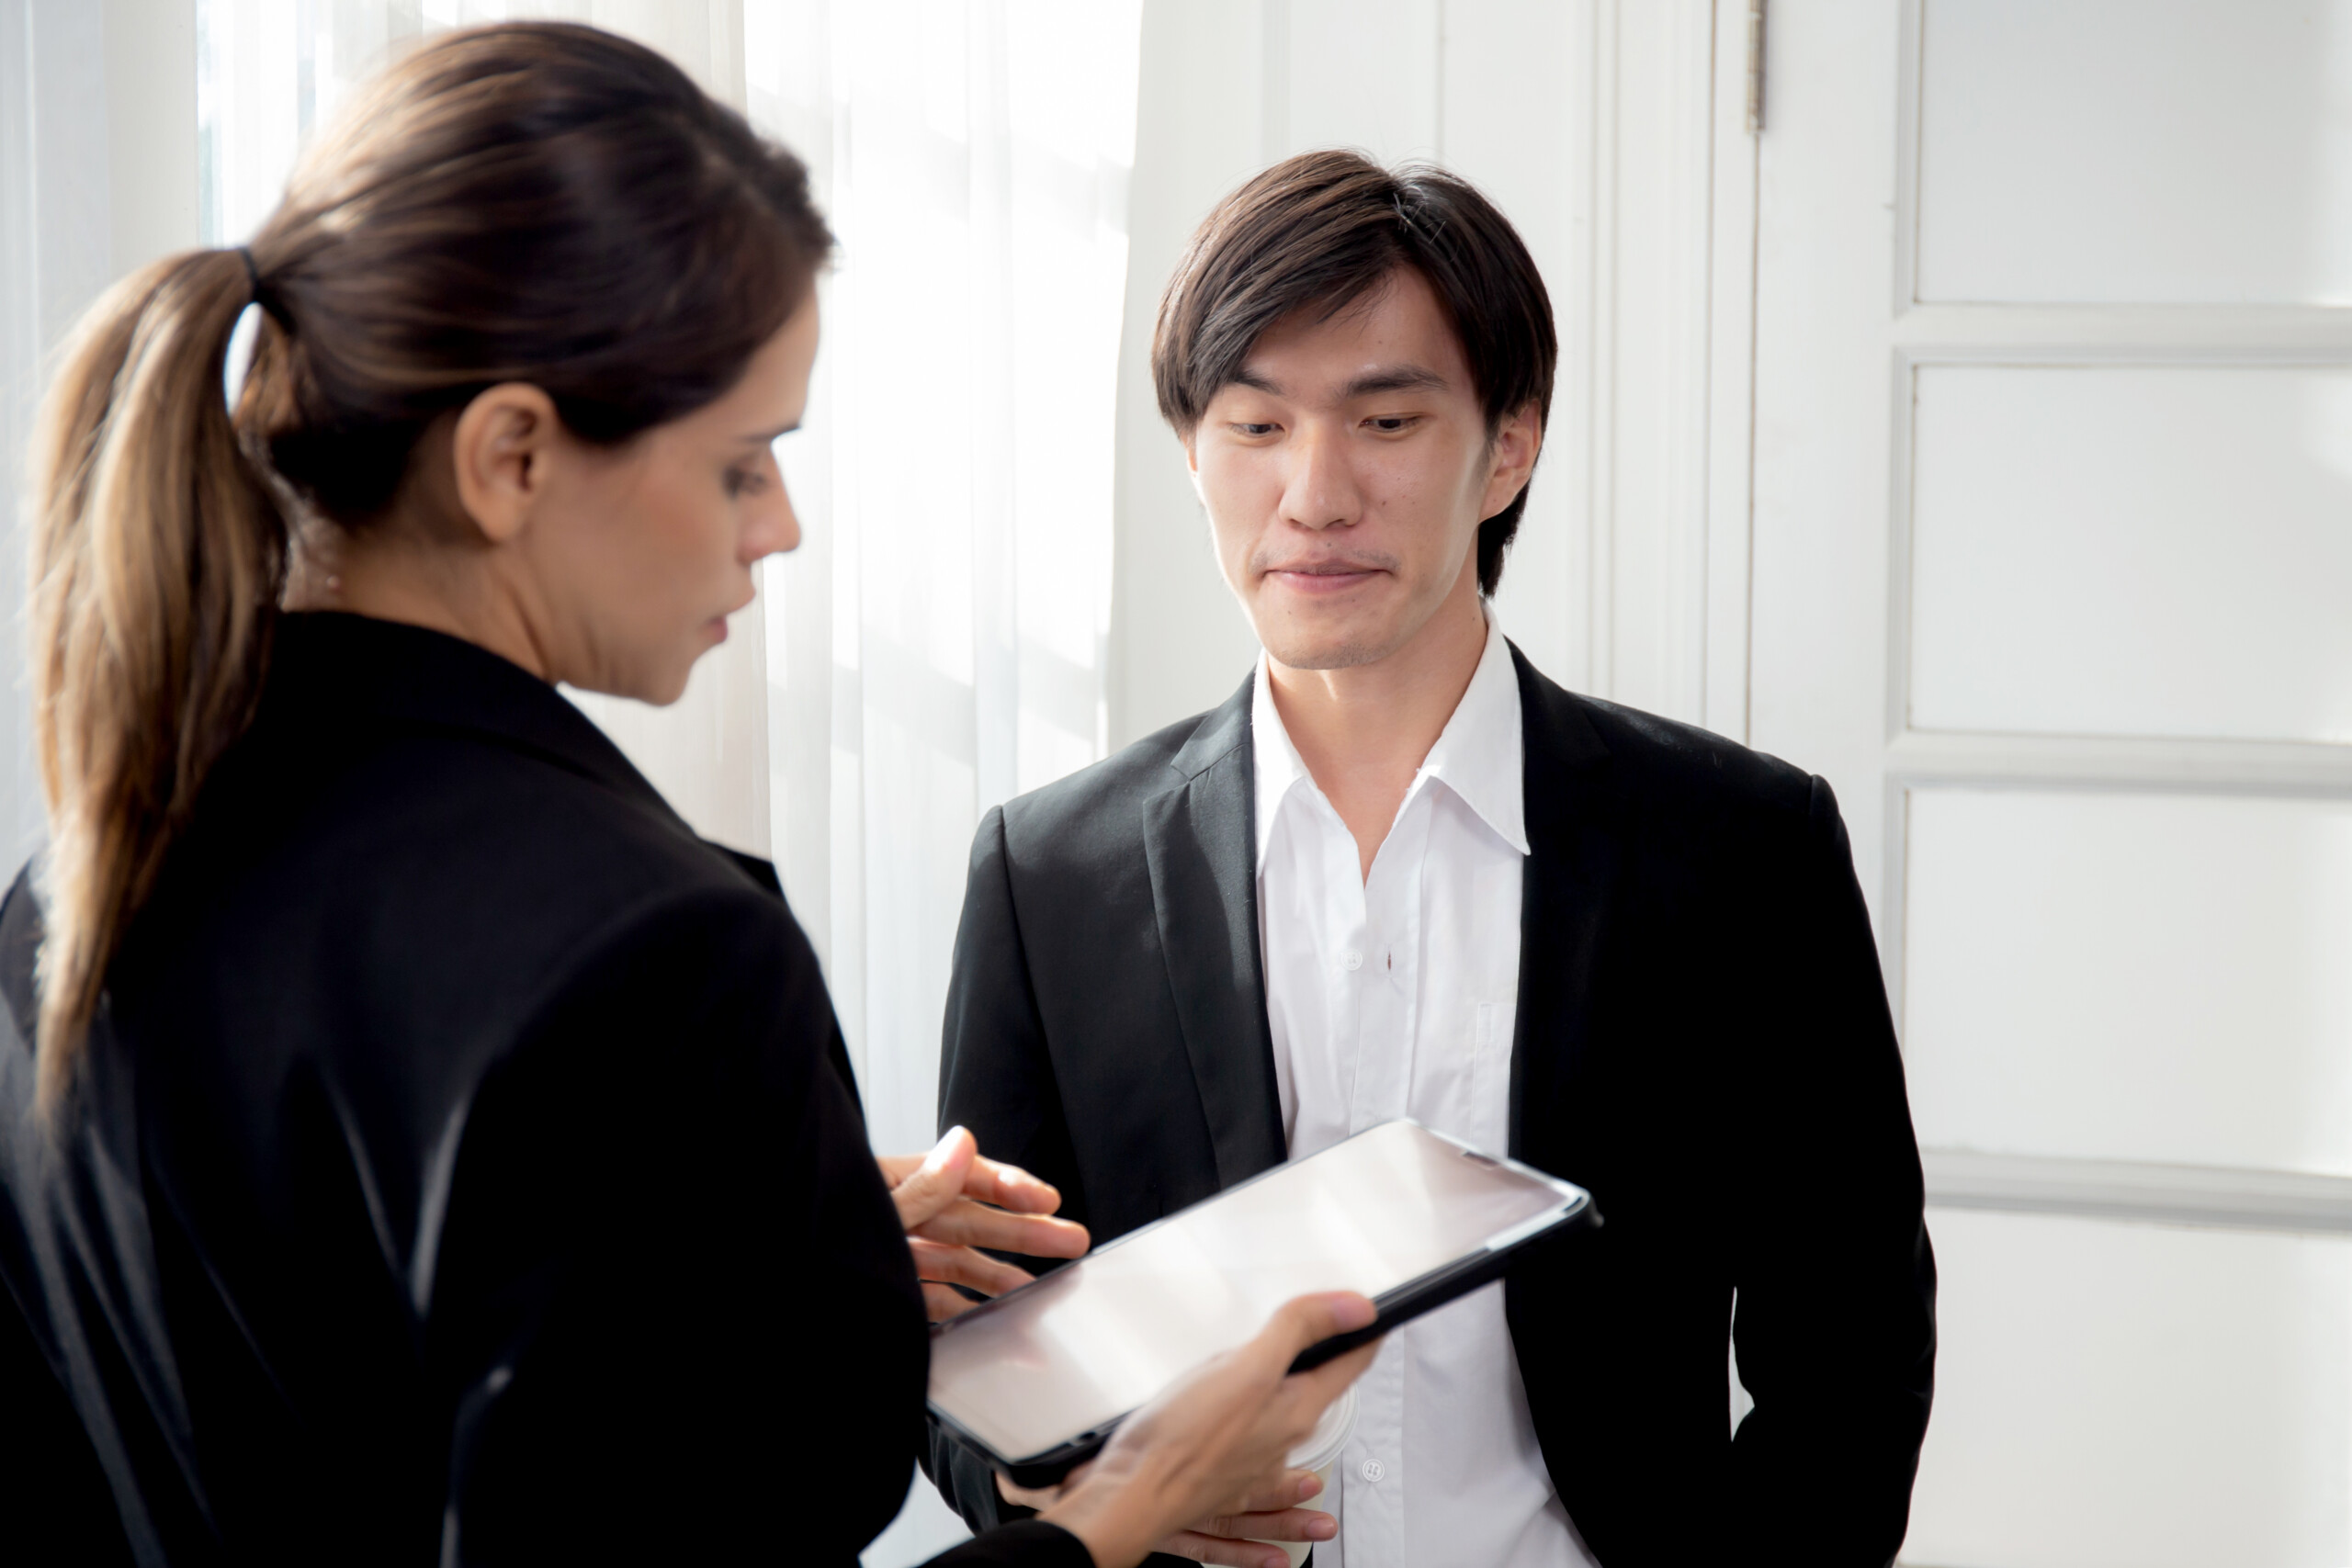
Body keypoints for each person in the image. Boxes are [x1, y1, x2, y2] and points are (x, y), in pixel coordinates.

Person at [0, 25, 1374, 1567]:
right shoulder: (655, 960)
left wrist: (774, 1251)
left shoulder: (81, 879)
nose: (778, 528)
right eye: (743, 462)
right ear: (510, 455)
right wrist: (1125, 1510)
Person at [927, 151, 1938, 1568]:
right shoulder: (1050, 873)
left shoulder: (1740, 850)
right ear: (1193, 453)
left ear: (1507, 447)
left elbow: (1851, 1363)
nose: (1314, 493)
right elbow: (980, 1357)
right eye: (1255, 425)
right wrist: (1100, 1512)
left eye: (1386, 418)